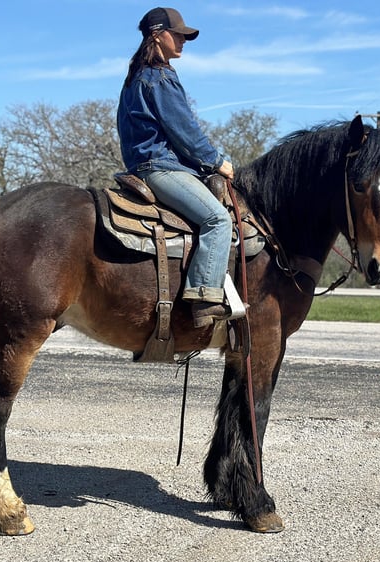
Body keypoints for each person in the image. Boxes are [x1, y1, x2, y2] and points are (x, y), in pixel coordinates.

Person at [117, 7, 235, 328]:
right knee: (218, 219)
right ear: (158, 35)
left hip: (140, 166)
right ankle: (203, 297)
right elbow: (185, 132)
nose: (183, 40)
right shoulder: (159, 77)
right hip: (161, 169)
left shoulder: (134, 79)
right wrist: (217, 161)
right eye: (178, 34)